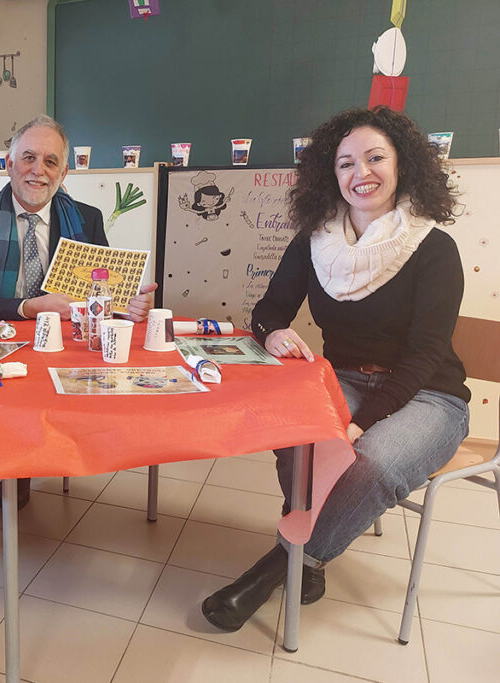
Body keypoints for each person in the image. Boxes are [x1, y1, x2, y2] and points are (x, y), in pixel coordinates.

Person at [201, 106, 470, 632]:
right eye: (345, 163)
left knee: (371, 463)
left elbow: (426, 354)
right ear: (331, 174)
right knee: (296, 437)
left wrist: (361, 422)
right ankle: (310, 554)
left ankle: (284, 563)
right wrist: (273, 333)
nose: (360, 173)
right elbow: (268, 311)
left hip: (429, 393)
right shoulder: (315, 240)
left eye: (375, 158)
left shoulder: (434, 247)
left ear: (403, 164)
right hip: (342, 378)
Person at [0, 115, 158, 523]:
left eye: (50, 162)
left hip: (62, 344)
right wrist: (29, 308)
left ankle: (22, 467)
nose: (38, 170)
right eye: (28, 158)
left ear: (63, 173)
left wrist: (127, 308)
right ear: (8, 164)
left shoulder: (87, 218)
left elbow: (102, 296)